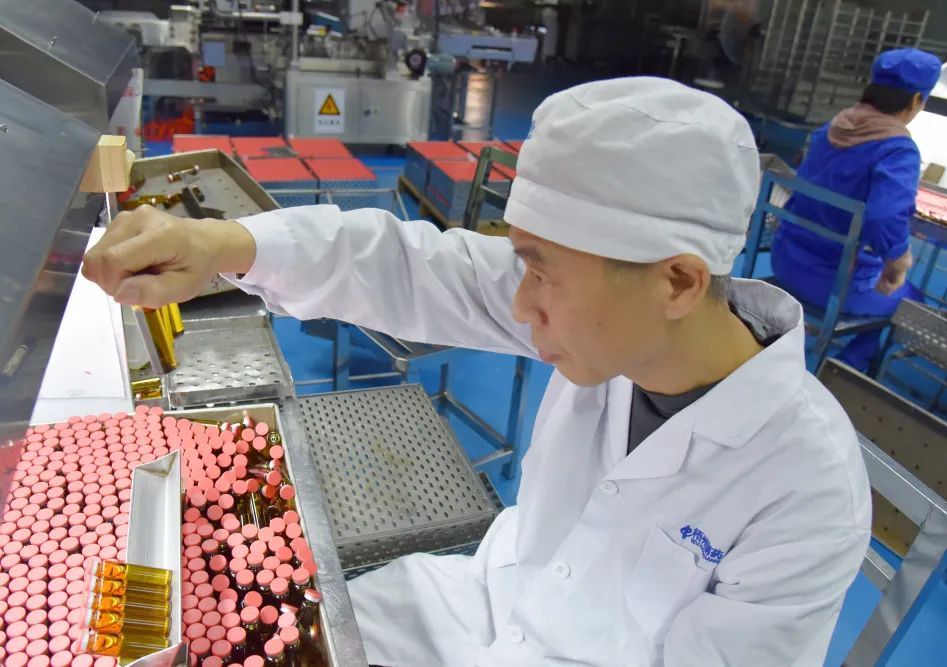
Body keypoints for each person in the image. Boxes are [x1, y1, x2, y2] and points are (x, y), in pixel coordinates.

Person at [83, 78, 870, 666]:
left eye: (541, 271)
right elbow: (414, 265)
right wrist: (225, 245)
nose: (519, 303)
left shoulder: (804, 491)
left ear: (677, 282)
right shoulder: (620, 323)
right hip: (471, 611)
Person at [771, 47, 943, 372]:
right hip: (831, 283)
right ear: (915, 100)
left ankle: (828, 353)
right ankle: (843, 371)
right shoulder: (897, 149)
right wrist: (897, 265)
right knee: (910, 298)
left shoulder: (831, 129)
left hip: (785, 259)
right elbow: (884, 217)